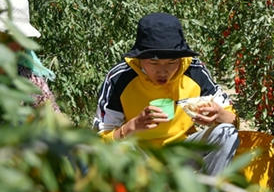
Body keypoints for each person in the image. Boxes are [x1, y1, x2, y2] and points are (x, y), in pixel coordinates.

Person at [94, 12, 239, 176]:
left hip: (183, 153)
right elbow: (100, 140)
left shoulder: (194, 71)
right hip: (140, 159)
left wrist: (219, 115)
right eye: (153, 63)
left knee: (227, 133)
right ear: (139, 58)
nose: (163, 71)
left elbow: (233, 121)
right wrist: (131, 127)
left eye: (172, 63)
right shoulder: (120, 78)